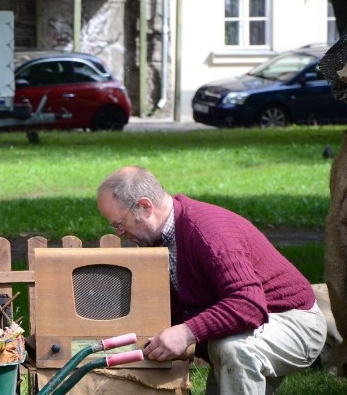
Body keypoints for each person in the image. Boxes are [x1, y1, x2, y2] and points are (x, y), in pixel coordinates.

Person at [96, 166, 326, 394]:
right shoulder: (160, 238)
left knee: (232, 349)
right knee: (227, 350)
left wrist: (186, 332)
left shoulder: (207, 232)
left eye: (119, 224)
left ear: (145, 207)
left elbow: (249, 304)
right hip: (244, 328)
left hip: (293, 320)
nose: (119, 234)